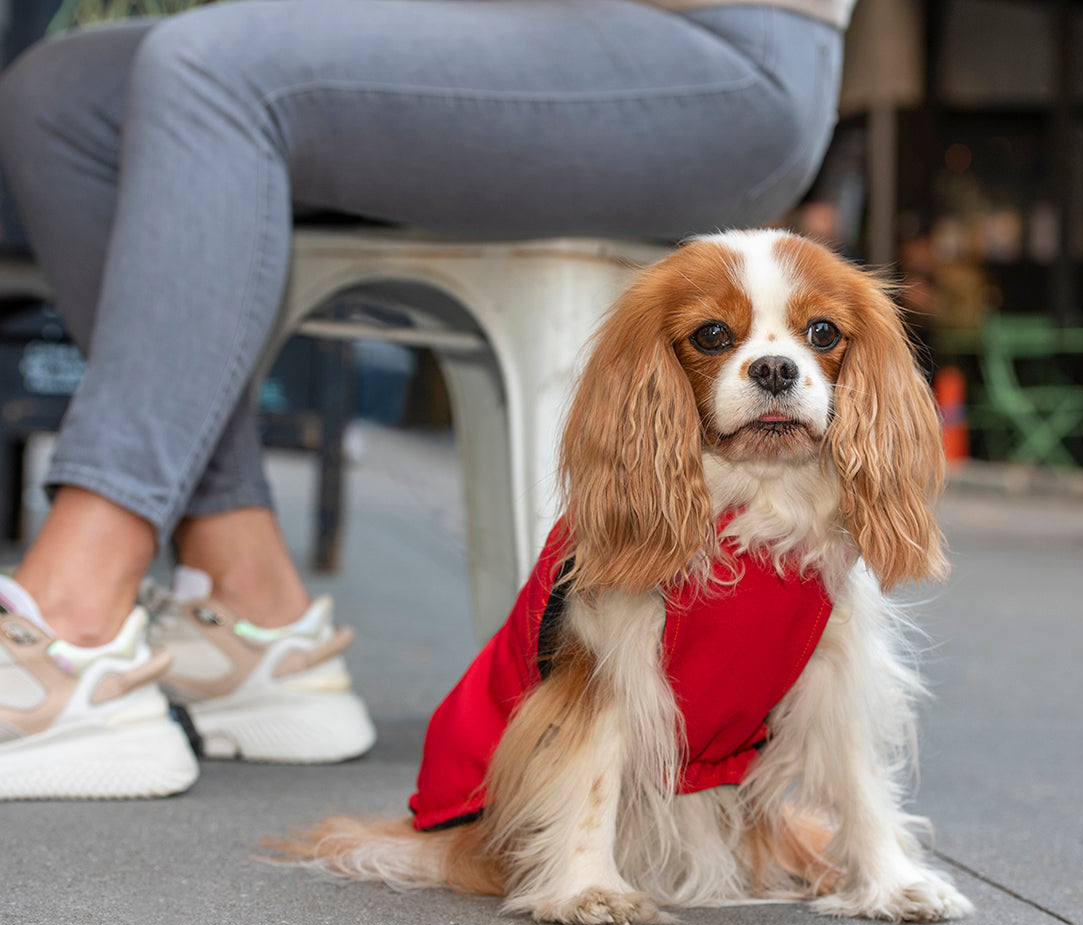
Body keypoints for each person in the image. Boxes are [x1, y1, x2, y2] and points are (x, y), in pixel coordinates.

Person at [0, 0, 853, 800]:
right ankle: (249, 606)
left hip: (717, 54)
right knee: (59, 99)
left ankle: (74, 625)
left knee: (212, 67)